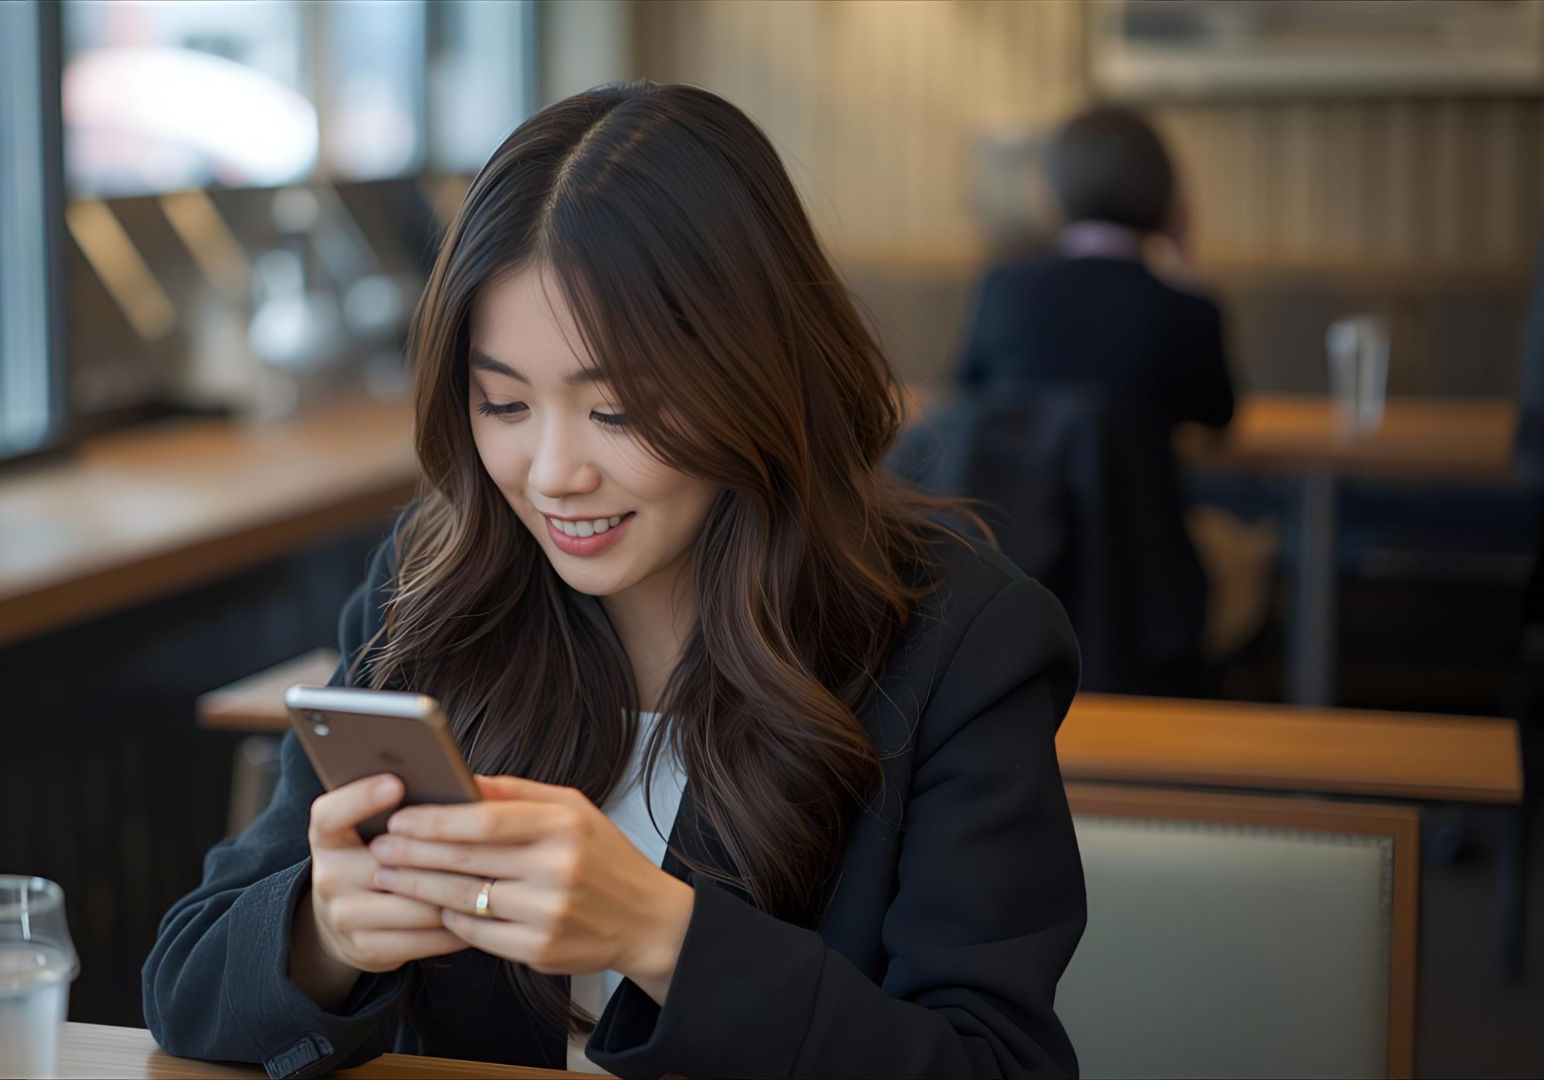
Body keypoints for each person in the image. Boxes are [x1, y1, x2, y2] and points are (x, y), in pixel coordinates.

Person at [144, 82, 1086, 1078]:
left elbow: (995, 1065)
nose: (554, 475)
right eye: (503, 403)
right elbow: (183, 983)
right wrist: (326, 933)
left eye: (619, 411)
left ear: (755, 377)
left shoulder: (958, 643)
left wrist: (662, 937)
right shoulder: (432, 594)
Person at [956, 106, 1235, 431]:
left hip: (1014, 483)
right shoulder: (1189, 312)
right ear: (1167, 199)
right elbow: (1218, 416)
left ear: (1053, 194)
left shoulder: (1003, 291)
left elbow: (965, 398)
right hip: (1139, 483)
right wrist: (1184, 263)